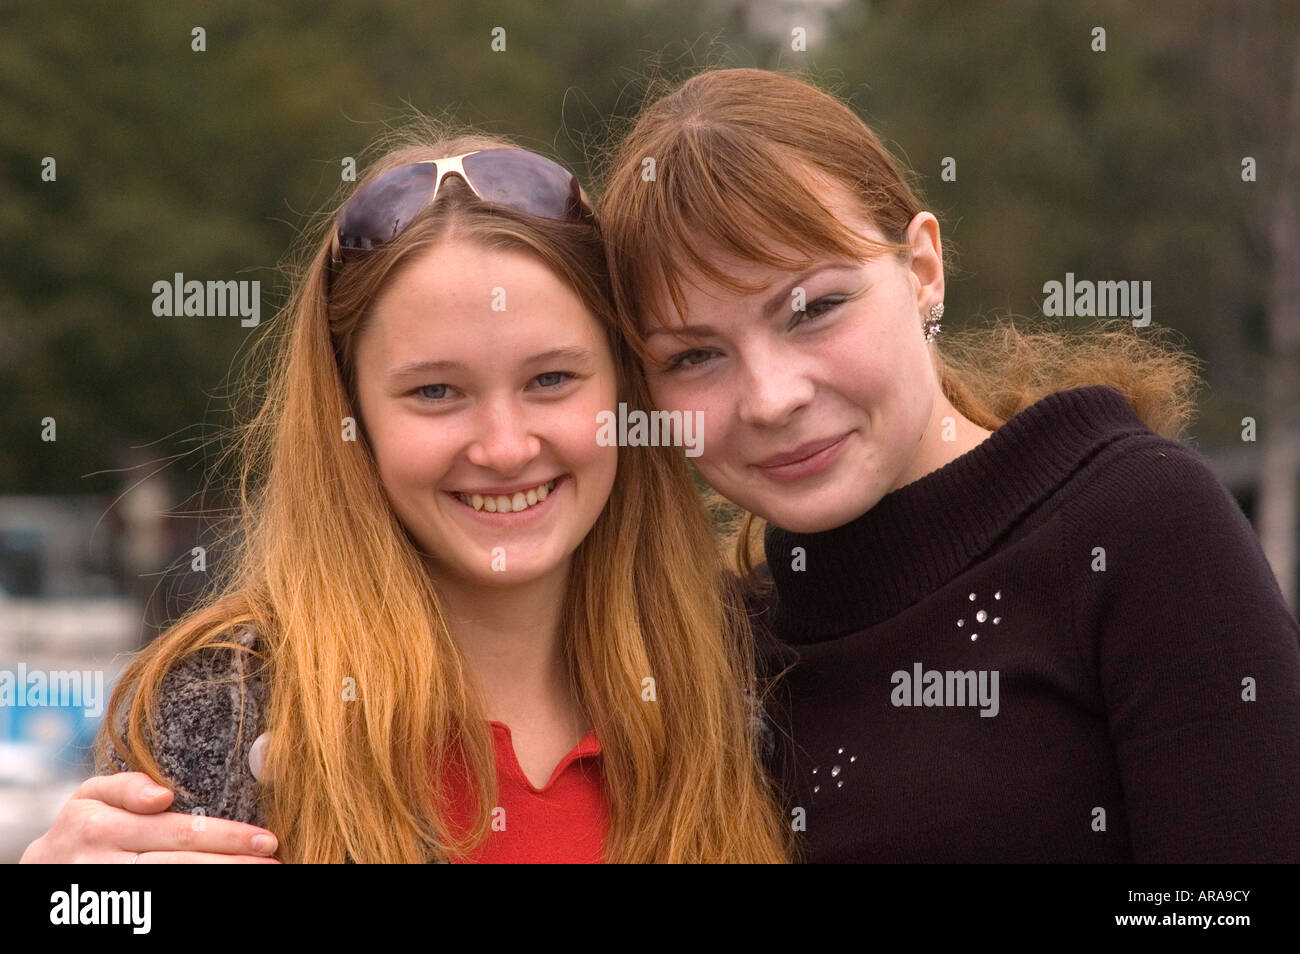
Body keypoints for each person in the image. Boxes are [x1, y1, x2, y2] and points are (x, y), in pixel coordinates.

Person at [21, 125, 789, 863]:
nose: (505, 446)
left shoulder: (747, 673)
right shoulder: (223, 712)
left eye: (551, 379)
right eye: (436, 392)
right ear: (351, 417)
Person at [594, 67, 1300, 862]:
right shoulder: (713, 651)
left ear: (923, 269)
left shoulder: (1137, 527)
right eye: (694, 357)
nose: (769, 398)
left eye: (814, 308)